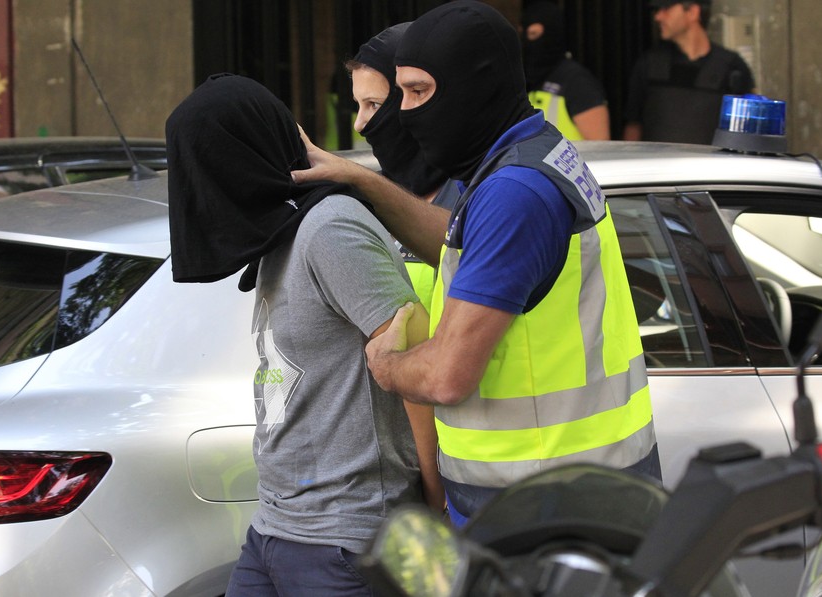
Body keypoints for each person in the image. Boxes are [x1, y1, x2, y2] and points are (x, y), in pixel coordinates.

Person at [292, 0, 661, 527]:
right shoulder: (530, 154)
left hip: (546, 511)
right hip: (563, 494)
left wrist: (385, 363)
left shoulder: (513, 192)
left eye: (418, 92)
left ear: (474, 83)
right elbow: (458, 244)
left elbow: (445, 376)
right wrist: (362, 180)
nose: (407, 112)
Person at [165, 73, 443, 596]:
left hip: (346, 537)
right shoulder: (279, 234)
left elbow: (413, 353)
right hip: (276, 525)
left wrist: (435, 499)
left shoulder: (330, 227)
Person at [346, 21, 455, 311]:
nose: (359, 124)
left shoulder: (479, 195)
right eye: (358, 104)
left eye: (374, 104)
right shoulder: (366, 199)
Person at [623, 0, 755, 144]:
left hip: (713, 166)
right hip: (656, 165)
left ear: (692, 12)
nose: (658, 17)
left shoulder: (732, 67)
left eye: (666, 9)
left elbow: (751, 128)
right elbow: (633, 127)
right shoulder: (649, 64)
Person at [521, 0, 610, 140]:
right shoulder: (526, 81)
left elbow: (600, 147)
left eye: (534, 34)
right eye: (524, 35)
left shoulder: (578, 82)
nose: (527, 42)